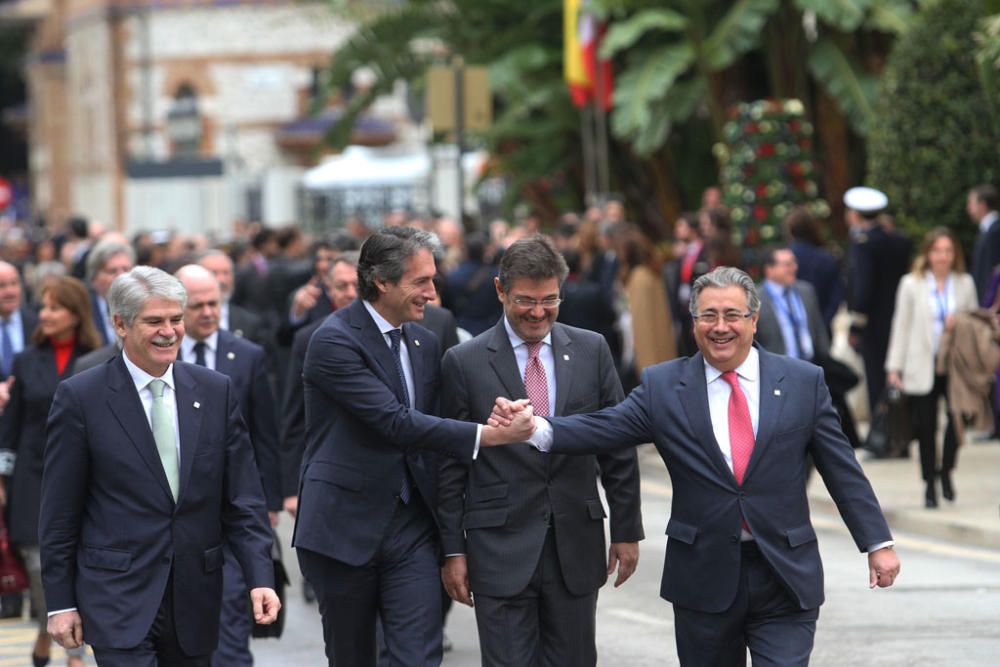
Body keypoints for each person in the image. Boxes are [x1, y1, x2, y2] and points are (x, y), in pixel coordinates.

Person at [489, 266, 900, 667]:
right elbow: (605, 427)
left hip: (784, 575)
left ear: (754, 320)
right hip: (703, 579)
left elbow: (842, 469)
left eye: (732, 315)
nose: (720, 327)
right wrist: (536, 429)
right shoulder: (664, 387)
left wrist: (876, 542)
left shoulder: (802, 382)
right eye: (708, 315)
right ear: (694, 323)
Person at [291, 227, 534, 666]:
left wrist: (493, 411)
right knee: (353, 657)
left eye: (433, 279)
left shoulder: (425, 338)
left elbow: (441, 418)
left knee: (419, 656)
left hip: (412, 527)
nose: (432, 291)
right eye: (421, 281)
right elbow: (394, 421)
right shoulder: (333, 340)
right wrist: (488, 435)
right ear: (382, 281)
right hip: (344, 527)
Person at [39, 266, 280, 665]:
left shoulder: (214, 390)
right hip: (117, 598)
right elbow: (60, 512)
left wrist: (260, 577)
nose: (169, 331)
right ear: (120, 323)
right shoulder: (81, 397)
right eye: (154, 321)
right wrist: (60, 603)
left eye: (175, 319)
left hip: (195, 597)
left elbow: (243, 497)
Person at [437, 235, 643, 666]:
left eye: (549, 300)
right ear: (500, 291)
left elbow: (617, 444)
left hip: (575, 546)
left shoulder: (592, 350)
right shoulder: (464, 361)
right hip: (498, 550)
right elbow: (450, 464)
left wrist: (626, 530)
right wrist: (453, 550)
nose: (537, 312)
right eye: (525, 301)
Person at [175, 264, 282, 665]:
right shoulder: (160, 357)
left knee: (234, 617)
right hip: (177, 511)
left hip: (232, 507)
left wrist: (269, 500)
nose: (208, 312)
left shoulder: (247, 355)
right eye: (197, 305)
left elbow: (265, 434)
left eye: (214, 303)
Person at [0, 276, 100, 667]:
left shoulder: (97, 356)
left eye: (55, 307)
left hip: (83, 474)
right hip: (33, 474)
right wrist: (2, 479)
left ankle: (50, 636)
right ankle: (71, 649)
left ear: (76, 314)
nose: (44, 314)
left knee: (76, 560)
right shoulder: (27, 360)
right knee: (40, 564)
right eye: (43, 307)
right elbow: (12, 424)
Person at [885, 228, 977, 508]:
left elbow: (974, 324)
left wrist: (958, 323)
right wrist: (894, 367)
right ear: (928, 254)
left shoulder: (964, 283)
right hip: (921, 364)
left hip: (954, 365)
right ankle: (929, 484)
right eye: (937, 251)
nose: (943, 257)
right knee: (926, 427)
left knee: (958, 419)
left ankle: (946, 468)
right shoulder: (911, 284)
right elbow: (901, 325)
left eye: (948, 251)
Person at [844, 186, 912, 415]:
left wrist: (856, 324)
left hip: (873, 322)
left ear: (855, 214)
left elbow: (864, 288)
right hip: (899, 315)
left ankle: (883, 433)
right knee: (897, 373)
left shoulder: (863, 244)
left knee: (876, 376)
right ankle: (902, 430)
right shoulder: (899, 240)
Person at [784, 206, 843, 333]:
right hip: (822, 327)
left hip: (791, 331)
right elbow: (836, 297)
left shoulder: (783, 260)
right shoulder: (827, 258)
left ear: (790, 230)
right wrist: (823, 324)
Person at [84, 238, 135, 345]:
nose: (122, 276)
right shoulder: (84, 310)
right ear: (94, 278)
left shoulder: (144, 306)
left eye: (126, 269)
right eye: (112, 271)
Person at [967, 184, 1000, 303]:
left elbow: (990, 272)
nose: (969, 209)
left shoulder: (995, 232)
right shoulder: (987, 230)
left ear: (982, 205)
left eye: (971, 203)